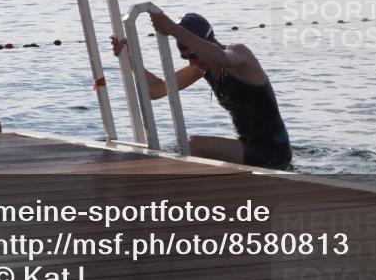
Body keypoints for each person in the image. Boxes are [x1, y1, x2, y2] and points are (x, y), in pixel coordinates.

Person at [111, 12, 292, 170]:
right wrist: (129, 57)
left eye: (194, 54)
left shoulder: (240, 55)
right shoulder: (202, 68)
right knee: (187, 146)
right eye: (186, 57)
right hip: (246, 145)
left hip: (274, 151)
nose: (193, 62)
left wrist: (173, 29)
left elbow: (222, 57)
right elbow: (156, 90)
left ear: (208, 43)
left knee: (192, 145)